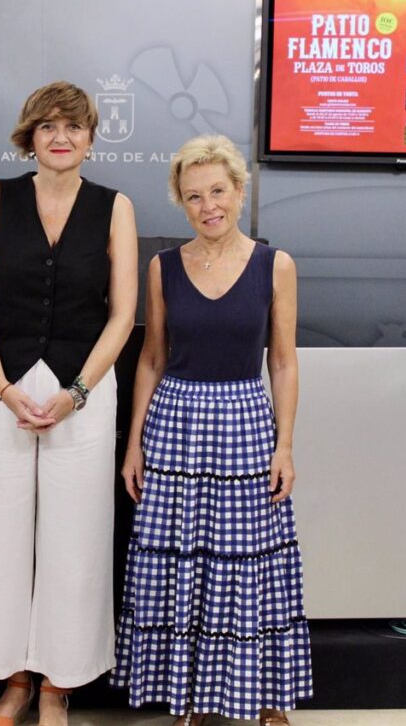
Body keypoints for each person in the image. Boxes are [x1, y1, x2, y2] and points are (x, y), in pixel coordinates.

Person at [0, 80, 137, 726]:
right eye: (48, 126)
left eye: (74, 126)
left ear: (90, 138)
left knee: (75, 540)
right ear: (29, 136)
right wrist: (3, 386)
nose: (61, 136)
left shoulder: (115, 207)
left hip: (81, 391)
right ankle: (14, 682)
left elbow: (122, 316)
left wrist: (77, 392)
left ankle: (58, 685)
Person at [110, 135, 313, 726]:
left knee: (252, 560)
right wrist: (134, 445)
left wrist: (285, 444)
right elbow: (150, 357)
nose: (208, 206)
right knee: (182, 564)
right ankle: (192, 697)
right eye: (194, 196)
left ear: (239, 191)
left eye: (217, 191)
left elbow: (283, 360)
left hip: (247, 423)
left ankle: (267, 696)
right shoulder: (163, 266)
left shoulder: (276, 265)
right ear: (181, 201)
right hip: (175, 424)